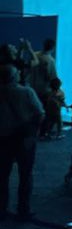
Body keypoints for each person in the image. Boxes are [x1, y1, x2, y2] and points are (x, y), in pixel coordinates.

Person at [0, 64, 44, 221]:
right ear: (14, 76)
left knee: (2, 176)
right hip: (24, 140)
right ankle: (23, 209)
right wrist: (33, 134)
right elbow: (39, 114)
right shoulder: (26, 92)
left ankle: (2, 208)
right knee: (25, 175)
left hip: (3, 140)